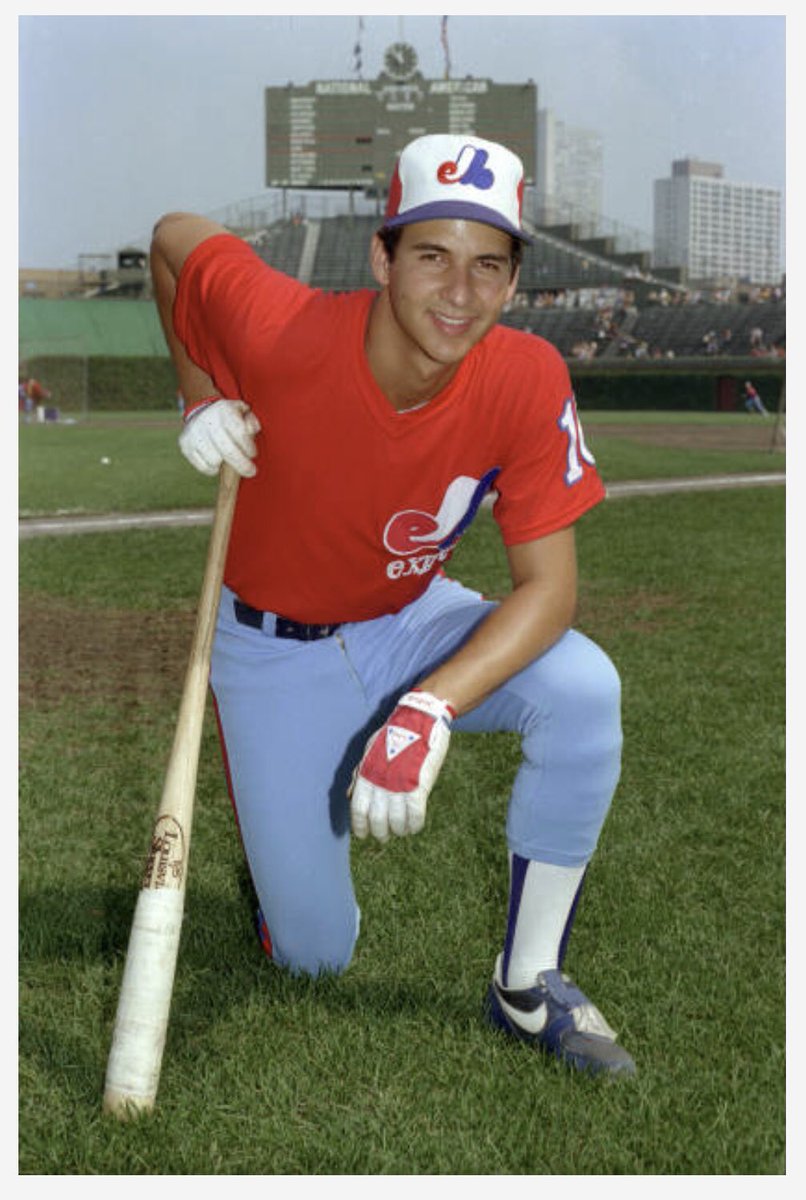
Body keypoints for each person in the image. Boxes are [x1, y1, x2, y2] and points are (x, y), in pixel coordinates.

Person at [151, 133, 635, 1077]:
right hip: (271, 651)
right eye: (433, 257)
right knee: (314, 957)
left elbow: (552, 590)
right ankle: (276, 862)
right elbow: (174, 239)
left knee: (583, 687)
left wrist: (428, 707)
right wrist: (197, 391)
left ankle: (527, 986)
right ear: (383, 256)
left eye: (487, 265)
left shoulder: (528, 375)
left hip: (409, 621)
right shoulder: (280, 327)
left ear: (512, 279)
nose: (459, 293)